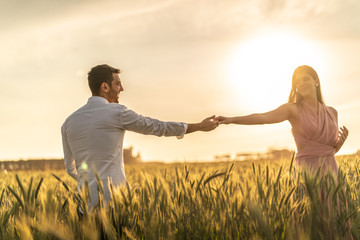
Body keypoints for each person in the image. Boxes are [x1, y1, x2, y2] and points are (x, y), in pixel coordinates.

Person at [61, 64, 218, 209]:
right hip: (114, 204)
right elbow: (157, 126)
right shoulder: (117, 112)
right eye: (118, 84)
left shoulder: (68, 122)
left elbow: (70, 168)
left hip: (85, 207)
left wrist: (90, 184)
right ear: (105, 87)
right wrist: (198, 126)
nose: (122, 88)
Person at [216, 65, 348, 175]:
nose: (301, 84)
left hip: (332, 172)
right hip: (307, 172)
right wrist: (231, 119)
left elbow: (327, 150)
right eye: (297, 82)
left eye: (305, 79)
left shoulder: (332, 112)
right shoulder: (293, 109)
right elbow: (263, 118)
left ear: (316, 81)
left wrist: (338, 146)